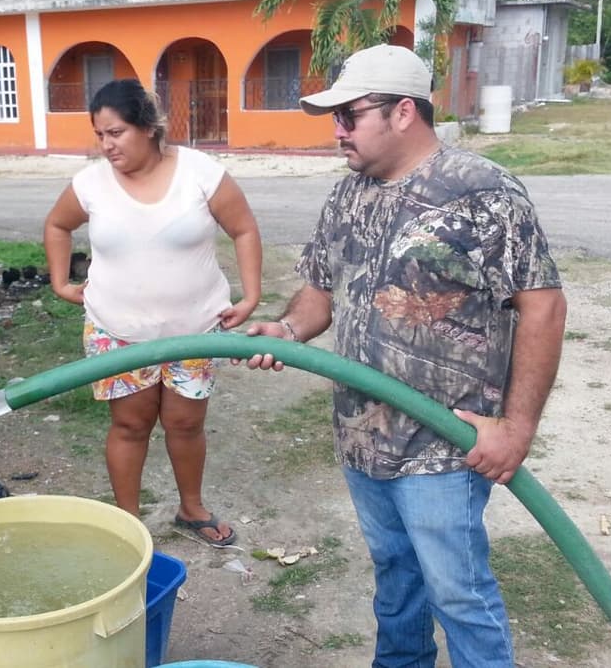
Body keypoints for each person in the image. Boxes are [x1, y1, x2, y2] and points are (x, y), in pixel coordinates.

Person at [242, 44, 567, 666]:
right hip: (363, 437)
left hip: (446, 444)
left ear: (403, 114)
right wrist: (285, 330)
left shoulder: (482, 192)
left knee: (459, 596)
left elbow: (543, 307)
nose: (338, 132)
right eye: (334, 119)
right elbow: (318, 294)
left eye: (350, 116)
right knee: (396, 583)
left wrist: (516, 429)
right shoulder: (347, 196)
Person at [43, 78, 262, 546]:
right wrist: (61, 282)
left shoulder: (200, 173)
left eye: (116, 133)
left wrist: (251, 296)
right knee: (130, 424)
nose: (106, 145)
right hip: (117, 330)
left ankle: (191, 509)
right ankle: (128, 522)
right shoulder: (90, 183)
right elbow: (58, 224)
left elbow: (243, 228)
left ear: (147, 127)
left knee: (185, 424)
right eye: (100, 135)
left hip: (196, 330)